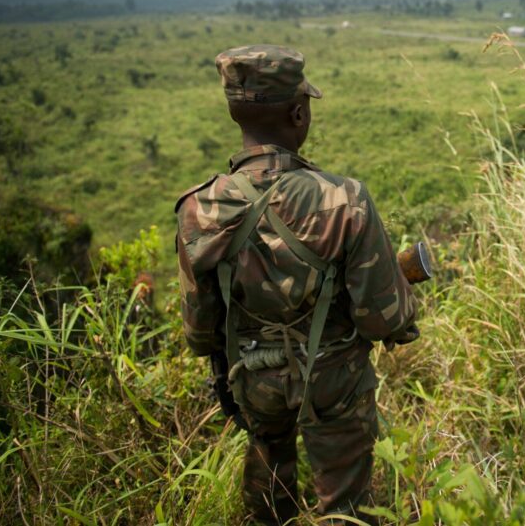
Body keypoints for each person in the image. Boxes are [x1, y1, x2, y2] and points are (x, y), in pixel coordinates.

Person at [175, 44, 419, 524]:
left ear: (235, 114)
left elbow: (200, 333)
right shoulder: (345, 200)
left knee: (268, 484)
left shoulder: (196, 209)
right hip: (335, 381)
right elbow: (381, 319)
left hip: (252, 377)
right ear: (299, 113)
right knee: (347, 503)